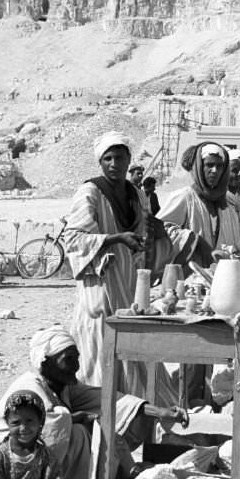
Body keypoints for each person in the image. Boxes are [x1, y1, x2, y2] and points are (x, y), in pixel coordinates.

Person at [0, 326, 185, 479]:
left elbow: (109, 400)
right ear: (46, 361)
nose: (76, 366)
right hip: (11, 465)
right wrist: (76, 418)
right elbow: (41, 428)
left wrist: (158, 412)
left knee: (102, 423)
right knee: (80, 432)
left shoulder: (62, 386)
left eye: (77, 358)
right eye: (68, 359)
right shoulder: (29, 388)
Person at [62, 132, 148, 389]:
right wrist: (115, 238)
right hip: (101, 286)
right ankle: (100, 416)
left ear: (128, 159)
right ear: (100, 162)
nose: (114, 164)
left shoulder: (136, 194)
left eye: (119, 157)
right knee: (99, 355)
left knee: (132, 355)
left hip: (129, 285)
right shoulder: (90, 192)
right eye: (107, 158)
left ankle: (131, 413)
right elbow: (73, 239)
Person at [158, 141, 240, 258]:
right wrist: (194, 241)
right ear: (199, 167)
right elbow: (159, 231)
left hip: (221, 272)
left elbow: (235, 243)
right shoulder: (184, 197)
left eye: (219, 166)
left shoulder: (227, 205)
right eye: (209, 165)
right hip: (189, 273)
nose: (215, 170)